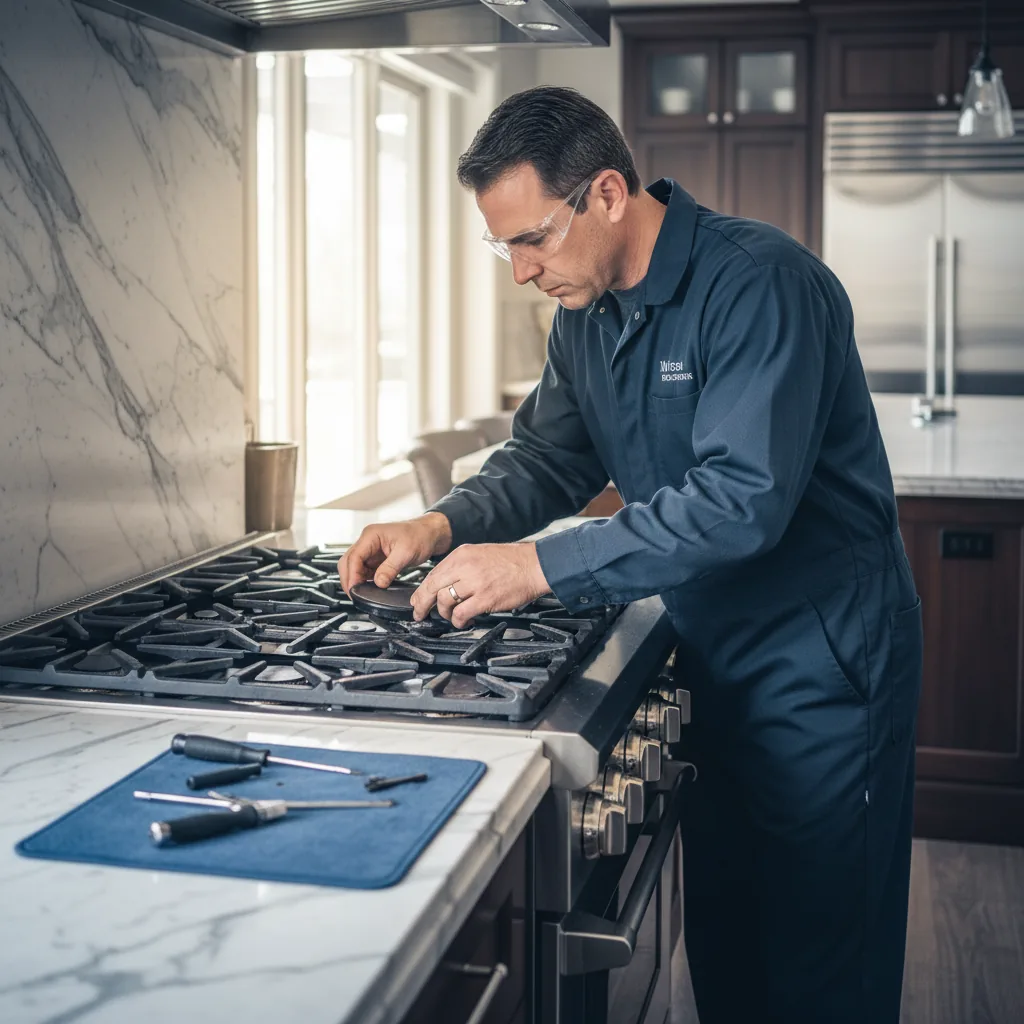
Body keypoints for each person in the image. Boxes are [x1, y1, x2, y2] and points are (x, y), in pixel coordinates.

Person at [338, 86, 923, 1024]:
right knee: (730, 942)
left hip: (822, 663)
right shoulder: (588, 311)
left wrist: (536, 565)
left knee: (822, 957)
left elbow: (741, 504)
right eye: (504, 247)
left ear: (607, 193)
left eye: (532, 239)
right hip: (710, 652)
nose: (520, 272)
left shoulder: (762, 284)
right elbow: (545, 455)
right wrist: (439, 526)